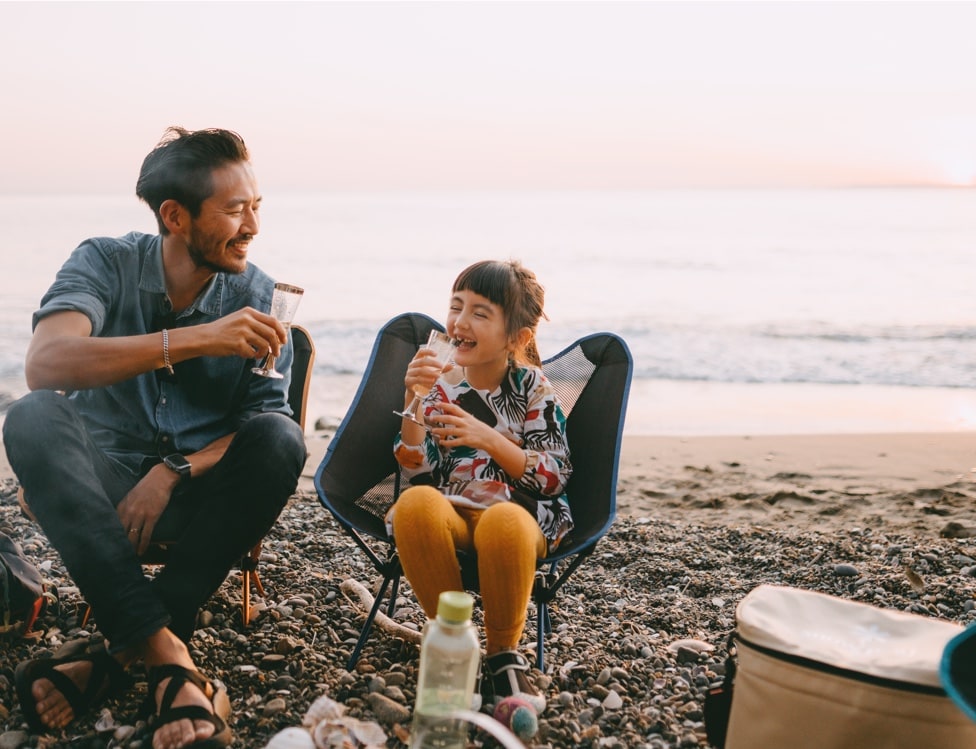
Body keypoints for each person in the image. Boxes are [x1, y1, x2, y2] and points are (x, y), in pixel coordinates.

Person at [2, 127, 307, 749]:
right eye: (233, 209)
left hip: (202, 495)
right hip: (102, 486)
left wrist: (173, 471)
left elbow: (262, 428)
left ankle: (114, 653)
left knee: (281, 439)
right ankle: (171, 656)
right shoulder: (105, 261)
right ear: (175, 215)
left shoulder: (258, 293)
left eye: (256, 207)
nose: (252, 226)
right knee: (31, 414)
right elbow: (47, 364)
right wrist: (200, 338)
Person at [390, 259, 573, 712]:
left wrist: (487, 436)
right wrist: (412, 402)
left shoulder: (533, 387)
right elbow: (418, 474)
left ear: (518, 337)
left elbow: (553, 477)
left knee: (504, 521)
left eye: (480, 312)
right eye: (457, 306)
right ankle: (453, 645)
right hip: (456, 510)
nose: (460, 321)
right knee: (414, 506)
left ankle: (500, 657)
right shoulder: (440, 388)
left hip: (520, 516)